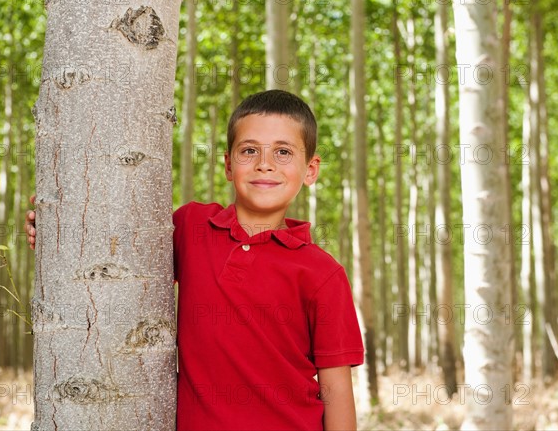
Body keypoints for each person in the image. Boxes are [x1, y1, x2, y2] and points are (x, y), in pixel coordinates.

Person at [26, 89, 364, 430]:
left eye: (283, 152)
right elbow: (118, 257)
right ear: (229, 165)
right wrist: (61, 229)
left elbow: (335, 389)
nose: (266, 163)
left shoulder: (323, 273)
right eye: (249, 150)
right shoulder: (192, 226)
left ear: (311, 169)